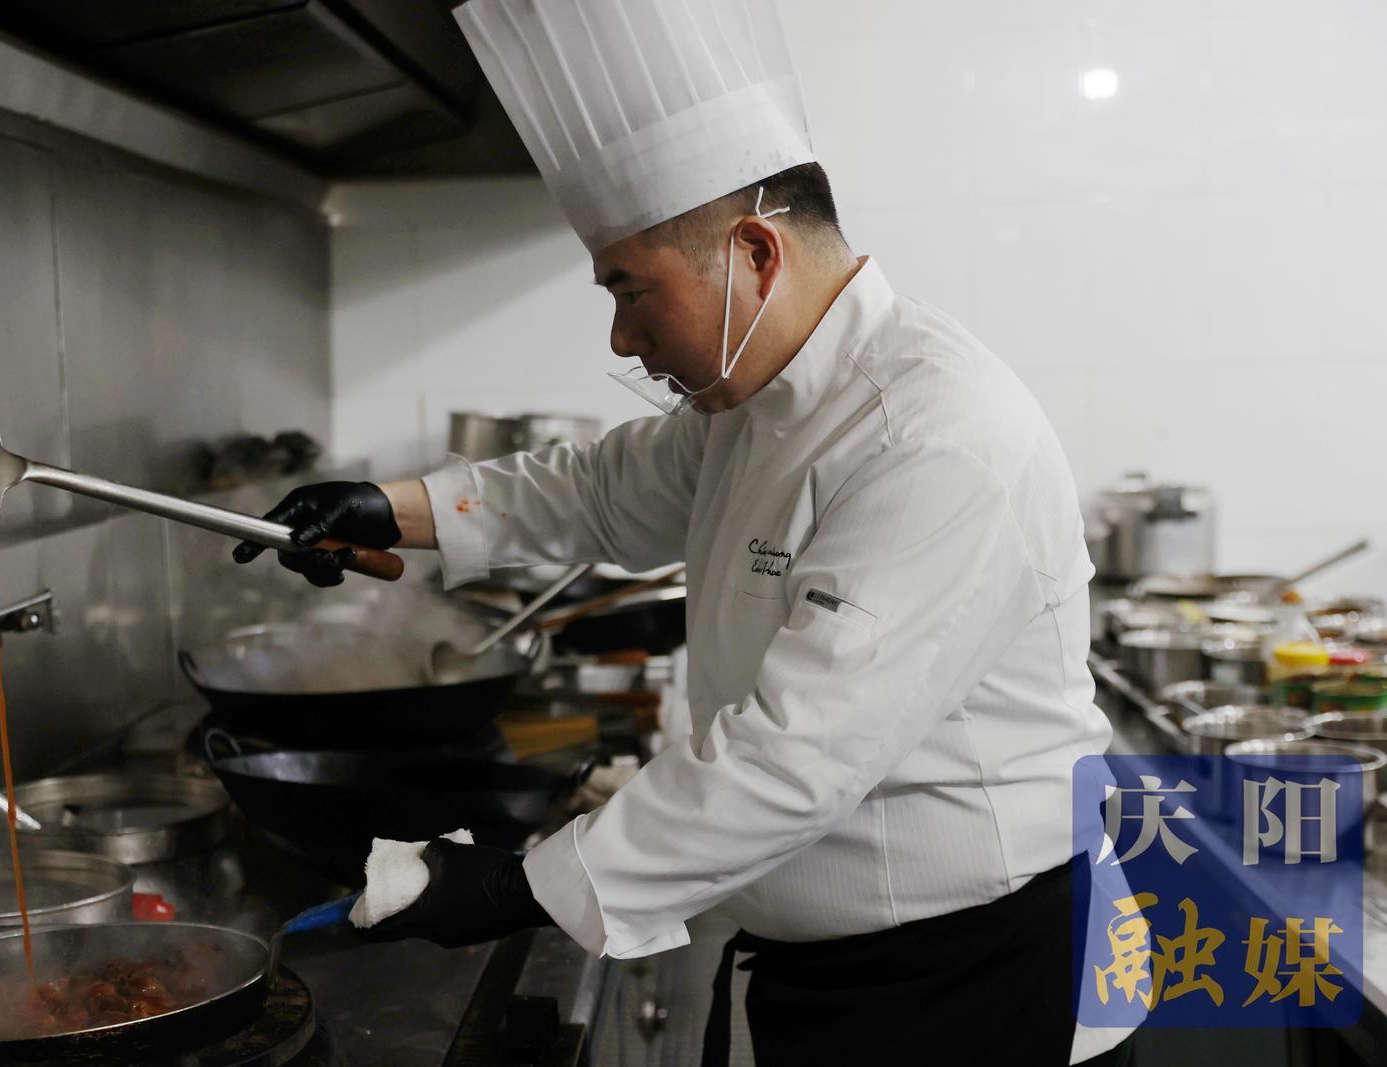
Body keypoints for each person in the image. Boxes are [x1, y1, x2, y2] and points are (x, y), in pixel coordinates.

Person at [234, 1, 1137, 1063]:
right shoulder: (759, 400)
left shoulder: (934, 437)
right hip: (828, 971)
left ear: (754, 251)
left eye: (632, 290)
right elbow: (602, 487)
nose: (622, 335)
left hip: (982, 977)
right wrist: (392, 508)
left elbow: (794, 756)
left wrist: (523, 883)